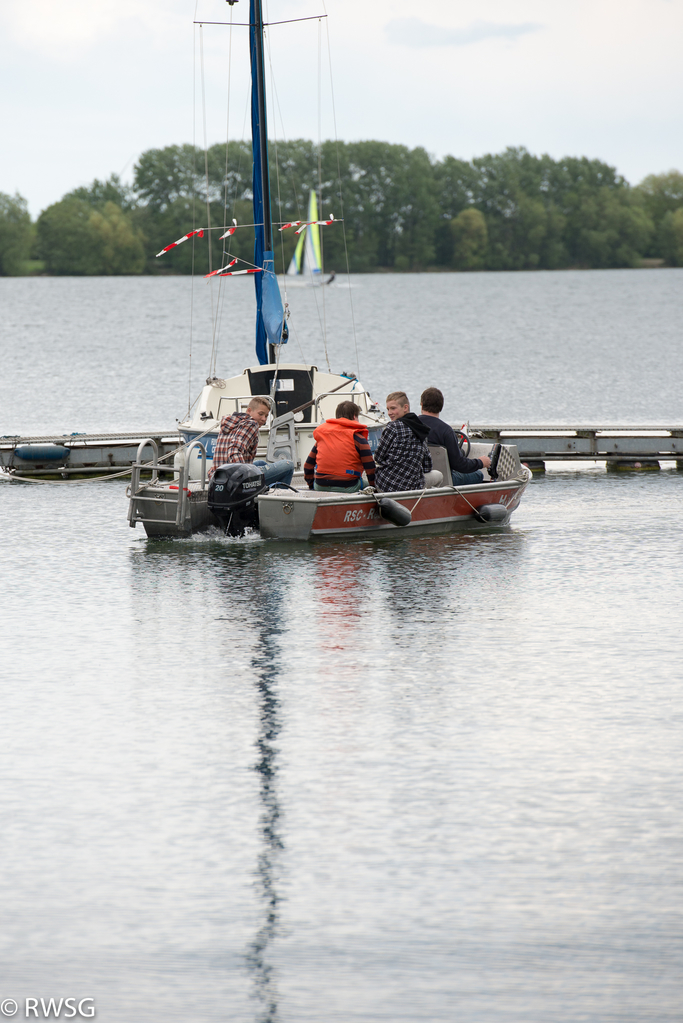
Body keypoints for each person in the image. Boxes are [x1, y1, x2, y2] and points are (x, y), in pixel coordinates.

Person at [210, 396, 295, 487]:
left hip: (217, 477)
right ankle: (277, 497)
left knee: (261, 464)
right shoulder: (251, 424)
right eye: (261, 414)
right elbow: (234, 451)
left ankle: (265, 489)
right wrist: (245, 477)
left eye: (266, 416)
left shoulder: (230, 423)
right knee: (288, 466)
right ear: (249, 411)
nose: (264, 419)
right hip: (233, 480)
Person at [418, 386, 491, 485]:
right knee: (478, 474)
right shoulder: (446, 430)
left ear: (421, 404)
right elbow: (459, 465)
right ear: (441, 407)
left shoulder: (411, 425)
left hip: (419, 476)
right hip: (445, 480)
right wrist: (481, 462)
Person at [374, 391, 443, 492]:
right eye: (388, 409)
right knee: (439, 475)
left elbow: (378, 457)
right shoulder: (421, 429)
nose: (389, 413)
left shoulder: (392, 427)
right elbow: (427, 466)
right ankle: (424, 503)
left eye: (393, 408)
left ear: (405, 408)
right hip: (411, 487)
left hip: (385, 484)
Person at [304, 400, 376, 492]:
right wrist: (373, 488)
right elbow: (370, 469)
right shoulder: (358, 438)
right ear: (354, 416)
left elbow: (307, 466)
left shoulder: (323, 436)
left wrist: (311, 486)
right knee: (368, 485)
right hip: (348, 486)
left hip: (320, 485)